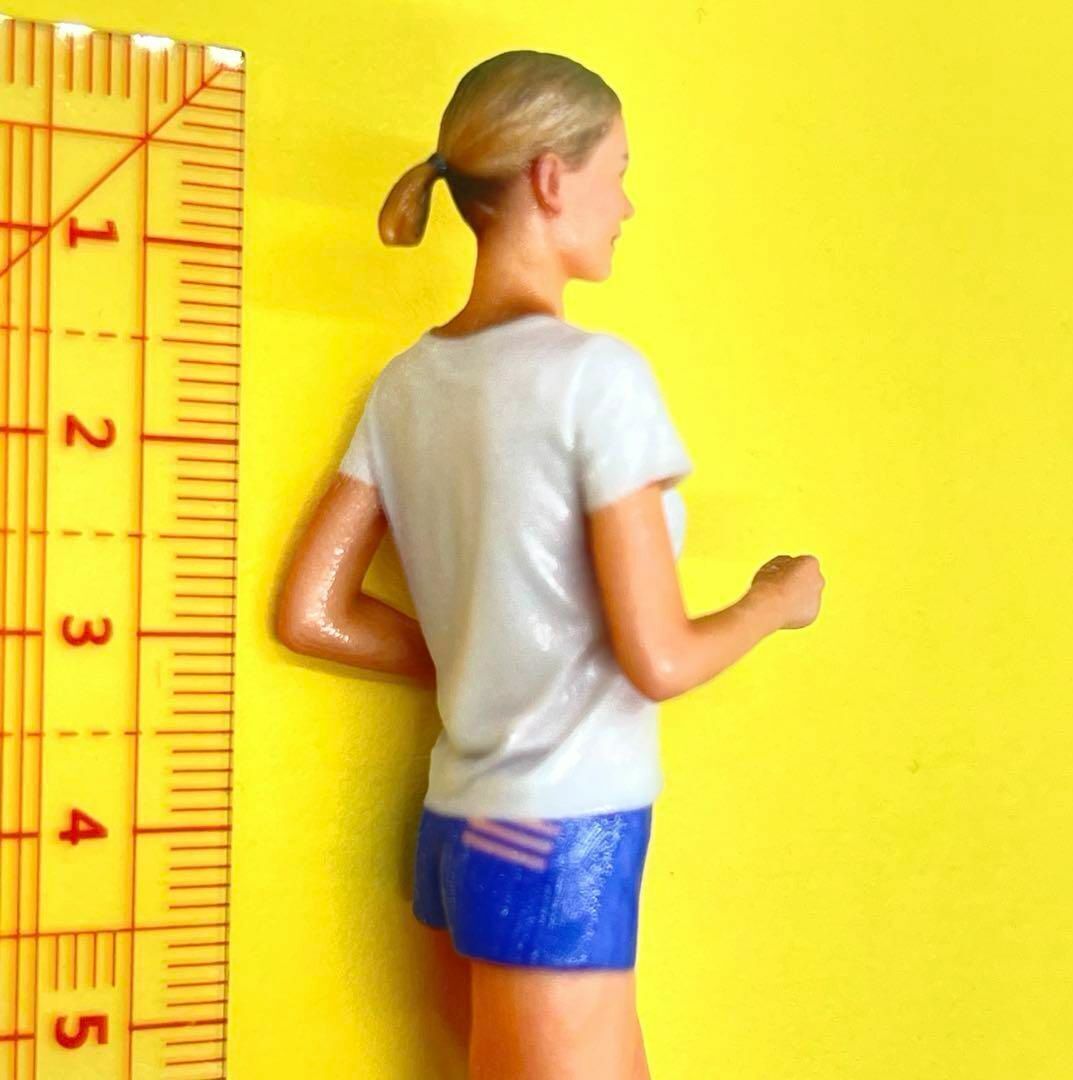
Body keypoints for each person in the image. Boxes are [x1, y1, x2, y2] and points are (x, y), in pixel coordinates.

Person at [276, 48, 825, 1080]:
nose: (627, 206)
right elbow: (660, 659)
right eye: (618, 172)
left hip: (460, 833)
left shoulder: (406, 385)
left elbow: (314, 612)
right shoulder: (595, 380)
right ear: (549, 179)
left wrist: (479, 655)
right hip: (557, 830)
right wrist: (772, 601)